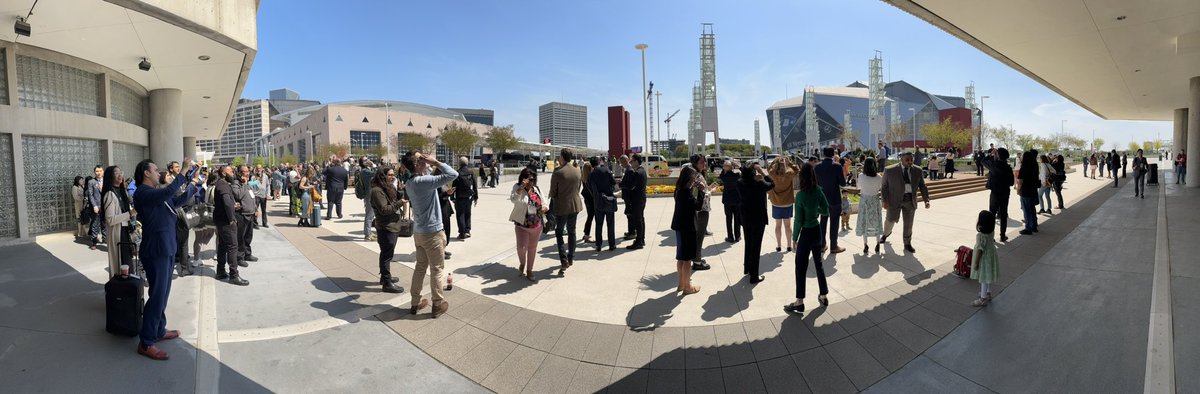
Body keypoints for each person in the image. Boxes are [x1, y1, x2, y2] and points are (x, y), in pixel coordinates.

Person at [131, 158, 198, 360]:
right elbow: (168, 193)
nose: (158, 171)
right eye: (154, 169)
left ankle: (159, 330)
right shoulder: (144, 192)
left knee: (162, 293)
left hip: (166, 247)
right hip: (156, 249)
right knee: (158, 295)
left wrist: (192, 185)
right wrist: (184, 170)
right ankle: (146, 341)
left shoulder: (157, 193)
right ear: (146, 173)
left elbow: (175, 202)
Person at [402, 151, 458, 318]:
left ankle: (415, 302)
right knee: (437, 269)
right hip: (432, 232)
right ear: (417, 164)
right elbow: (452, 174)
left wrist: (426, 165)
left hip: (419, 232)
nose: (425, 159)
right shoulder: (424, 181)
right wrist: (435, 162)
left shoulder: (410, 182)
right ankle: (437, 304)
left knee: (420, 268)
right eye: (421, 158)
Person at [784, 162, 831, 315]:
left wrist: (794, 238)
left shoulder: (800, 196)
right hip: (816, 231)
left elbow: (798, 220)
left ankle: (799, 301)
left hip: (805, 233)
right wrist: (815, 210)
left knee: (800, 267)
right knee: (819, 264)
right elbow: (825, 210)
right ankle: (823, 295)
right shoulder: (819, 191)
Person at [880, 152, 930, 253]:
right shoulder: (890, 170)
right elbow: (884, 187)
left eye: (911, 160)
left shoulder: (917, 170)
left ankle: (907, 244)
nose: (910, 162)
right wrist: (885, 201)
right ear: (901, 159)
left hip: (910, 200)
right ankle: (885, 234)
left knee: (908, 224)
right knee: (890, 220)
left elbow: (922, 186)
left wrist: (926, 200)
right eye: (907, 160)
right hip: (894, 201)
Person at [369, 167, 405, 294]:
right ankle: (386, 282)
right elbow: (384, 210)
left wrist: (399, 188)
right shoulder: (377, 191)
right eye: (390, 175)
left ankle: (385, 277)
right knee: (386, 255)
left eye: (393, 174)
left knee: (387, 254)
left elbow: (394, 199)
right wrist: (400, 203)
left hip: (392, 225)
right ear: (382, 176)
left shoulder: (386, 188)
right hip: (386, 227)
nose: (393, 177)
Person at [213, 166, 249, 286]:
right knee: (233, 246)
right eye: (231, 171)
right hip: (225, 221)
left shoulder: (223, 183)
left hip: (221, 220)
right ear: (224, 173)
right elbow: (227, 202)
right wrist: (232, 218)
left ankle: (221, 271)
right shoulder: (222, 184)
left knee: (223, 246)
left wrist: (233, 206)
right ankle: (234, 275)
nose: (233, 173)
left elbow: (228, 202)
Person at [509, 168, 547, 282]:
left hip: (536, 224)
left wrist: (545, 207)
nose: (531, 182)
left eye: (533, 179)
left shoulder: (537, 189)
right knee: (521, 248)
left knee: (532, 248)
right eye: (529, 179)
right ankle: (522, 263)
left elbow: (544, 202)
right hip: (522, 224)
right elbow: (513, 200)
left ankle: (529, 270)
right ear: (523, 179)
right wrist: (521, 188)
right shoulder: (517, 187)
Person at [549, 149, 584, 275]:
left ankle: (563, 259)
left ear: (562, 158)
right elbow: (579, 187)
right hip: (575, 205)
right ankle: (571, 257)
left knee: (559, 232)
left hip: (562, 206)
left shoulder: (558, 172)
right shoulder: (577, 170)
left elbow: (553, 192)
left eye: (559, 157)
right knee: (572, 231)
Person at [738, 163, 773, 284]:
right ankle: (754, 276)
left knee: (748, 243)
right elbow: (772, 184)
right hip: (758, 219)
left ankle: (747, 268)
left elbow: (744, 173)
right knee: (756, 247)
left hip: (745, 217)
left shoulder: (740, 183)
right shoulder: (759, 184)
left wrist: (750, 170)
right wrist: (762, 173)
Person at [671, 166, 702, 295]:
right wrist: (701, 191)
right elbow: (698, 206)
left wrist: (693, 187)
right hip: (688, 227)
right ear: (690, 178)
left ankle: (681, 284)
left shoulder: (678, 190)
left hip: (679, 226)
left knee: (681, 257)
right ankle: (687, 287)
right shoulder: (687, 193)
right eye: (694, 177)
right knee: (688, 259)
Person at [101, 166, 132, 278]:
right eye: (116, 173)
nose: (120, 175)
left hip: (124, 231)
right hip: (118, 233)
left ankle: (128, 291)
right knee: (121, 264)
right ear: (110, 176)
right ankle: (121, 291)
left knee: (127, 264)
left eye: (121, 172)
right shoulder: (110, 194)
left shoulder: (121, 191)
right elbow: (110, 219)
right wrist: (130, 214)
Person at [814, 147, 847, 254]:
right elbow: (843, 183)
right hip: (834, 198)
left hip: (822, 198)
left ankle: (822, 245)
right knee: (834, 222)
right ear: (833, 154)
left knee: (822, 222)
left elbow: (815, 183)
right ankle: (834, 246)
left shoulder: (817, 167)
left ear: (823, 154)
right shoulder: (837, 166)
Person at [688, 154, 717, 270]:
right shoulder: (697, 176)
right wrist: (712, 190)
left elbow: (700, 192)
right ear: (695, 163)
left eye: (704, 162)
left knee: (697, 236)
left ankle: (697, 258)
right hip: (701, 210)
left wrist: (708, 188)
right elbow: (702, 195)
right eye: (701, 162)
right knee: (699, 237)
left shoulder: (693, 174)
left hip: (697, 209)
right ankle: (697, 262)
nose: (704, 164)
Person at [981, 148, 1014, 242]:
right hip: (1005, 193)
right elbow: (1011, 182)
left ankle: (991, 237)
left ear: (998, 155)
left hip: (995, 193)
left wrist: (991, 154)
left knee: (992, 214)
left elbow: (983, 161)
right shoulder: (1008, 167)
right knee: (1003, 214)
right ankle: (1002, 236)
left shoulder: (993, 165)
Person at [767, 157, 799, 252]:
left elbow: (768, 168)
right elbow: (797, 169)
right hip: (788, 202)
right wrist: (789, 163)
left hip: (776, 203)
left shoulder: (773, 173)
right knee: (788, 226)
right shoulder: (789, 174)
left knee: (778, 226)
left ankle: (778, 245)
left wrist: (774, 161)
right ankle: (789, 245)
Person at [586, 157, 618, 252]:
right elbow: (613, 182)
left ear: (591, 164)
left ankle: (598, 245)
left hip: (598, 202)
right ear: (599, 162)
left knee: (599, 224)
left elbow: (589, 187)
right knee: (610, 223)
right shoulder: (606, 170)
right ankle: (611, 245)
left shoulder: (591, 175)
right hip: (608, 200)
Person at [970, 210, 1000, 307]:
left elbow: (980, 249)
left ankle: (982, 299)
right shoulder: (991, 232)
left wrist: (976, 262)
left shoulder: (980, 236)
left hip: (984, 259)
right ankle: (988, 293)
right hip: (991, 255)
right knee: (988, 276)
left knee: (983, 278)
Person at [856, 159, 884, 253]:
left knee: (864, 222)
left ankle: (865, 245)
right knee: (876, 221)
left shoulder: (861, 176)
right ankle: (877, 244)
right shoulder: (879, 177)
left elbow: (859, 186)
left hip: (864, 201)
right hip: (875, 201)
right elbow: (880, 188)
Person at [621, 154, 648, 250]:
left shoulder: (637, 173)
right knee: (641, 219)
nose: (630, 163)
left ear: (636, 161)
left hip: (637, 200)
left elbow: (630, 186)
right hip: (641, 199)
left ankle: (639, 241)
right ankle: (642, 239)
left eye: (632, 161)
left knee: (638, 220)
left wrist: (621, 183)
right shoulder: (642, 171)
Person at [235, 166, 259, 266]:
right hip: (242, 214)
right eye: (245, 172)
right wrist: (244, 184)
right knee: (240, 237)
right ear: (240, 173)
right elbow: (238, 195)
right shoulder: (236, 184)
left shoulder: (248, 184)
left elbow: (251, 196)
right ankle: (239, 257)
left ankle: (247, 254)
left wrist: (256, 209)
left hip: (250, 214)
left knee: (248, 236)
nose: (248, 173)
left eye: (248, 171)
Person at [1016, 150, 1041, 235]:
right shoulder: (1035, 166)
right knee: (1032, 209)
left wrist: (1018, 190)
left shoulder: (1024, 167)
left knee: (1026, 210)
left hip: (1026, 191)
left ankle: (1028, 228)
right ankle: (1034, 226)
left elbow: (1020, 180)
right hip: (1033, 190)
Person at [452, 157, 478, 239]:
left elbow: (454, 186)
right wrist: (476, 196)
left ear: (459, 163)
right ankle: (467, 231)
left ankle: (462, 233)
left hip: (460, 197)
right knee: (468, 213)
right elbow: (475, 185)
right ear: (467, 163)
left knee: (460, 215)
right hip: (469, 196)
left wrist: (452, 197)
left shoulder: (457, 173)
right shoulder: (471, 172)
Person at [719, 161, 742, 243]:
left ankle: (730, 237)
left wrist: (724, 168)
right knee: (737, 219)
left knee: (728, 219)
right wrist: (738, 166)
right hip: (737, 199)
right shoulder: (737, 175)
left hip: (727, 200)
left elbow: (721, 175)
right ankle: (737, 236)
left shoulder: (723, 176)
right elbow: (743, 173)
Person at [357, 159, 378, 241]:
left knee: (371, 214)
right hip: (369, 195)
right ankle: (367, 234)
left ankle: (368, 232)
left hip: (370, 194)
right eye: (366, 160)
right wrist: (374, 166)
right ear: (363, 163)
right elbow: (377, 173)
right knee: (369, 215)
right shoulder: (365, 171)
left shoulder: (366, 170)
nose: (369, 160)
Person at [87, 165, 105, 249]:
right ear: (94, 172)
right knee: (95, 224)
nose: (99, 173)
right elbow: (90, 195)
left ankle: (105, 239)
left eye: (100, 171)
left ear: (103, 171)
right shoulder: (91, 182)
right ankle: (94, 242)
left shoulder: (107, 181)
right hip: (96, 206)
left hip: (105, 206)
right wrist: (94, 206)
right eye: (97, 171)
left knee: (104, 223)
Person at [580, 158, 596, 244]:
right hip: (591, 199)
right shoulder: (591, 177)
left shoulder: (583, 178)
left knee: (589, 216)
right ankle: (587, 235)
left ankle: (586, 232)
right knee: (590, 217)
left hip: (587, 199)